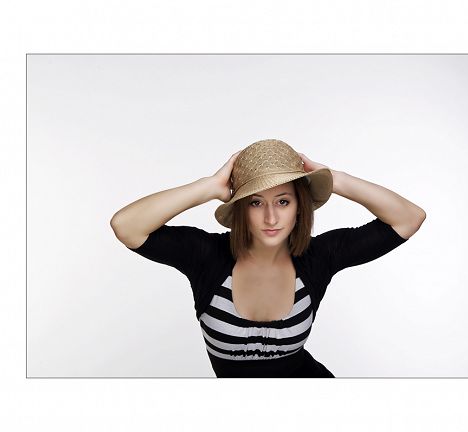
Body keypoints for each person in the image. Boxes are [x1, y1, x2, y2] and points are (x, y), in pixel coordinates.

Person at [110, 139, 426, 378]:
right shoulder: (206, 255)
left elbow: (408, 219)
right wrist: (209, 187)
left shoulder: (319, 257)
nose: (271, 217)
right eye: (256, 203)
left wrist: (335, 179)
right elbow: (126, 226)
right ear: (240, 208)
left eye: (283, 201)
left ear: (299, 207)